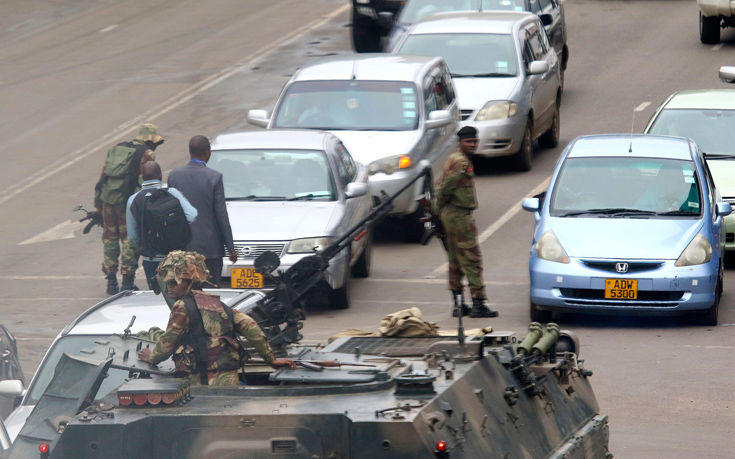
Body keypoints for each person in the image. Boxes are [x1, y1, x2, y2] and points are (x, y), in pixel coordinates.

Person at [137, 251, 295, 386]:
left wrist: (151, 357)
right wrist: (270, 358)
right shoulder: (216, 303)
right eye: (166, 283)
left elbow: (168, 342)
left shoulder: (181, 306)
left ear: (189, 282)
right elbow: (250, 325)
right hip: (229, 378)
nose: (168, 287)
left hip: (201, 381)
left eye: (173, 283)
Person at [434, 126, 498, 318]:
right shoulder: (461, 163)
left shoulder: (455, 159)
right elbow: (446, 188)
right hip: (459, 216)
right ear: (460, 142)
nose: (473, 145)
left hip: (452, 215)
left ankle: (459, 304)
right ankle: (478, 304)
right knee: (472, 259)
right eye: (469, 141)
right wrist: (438, 211)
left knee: (455, 260)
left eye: (475, 141)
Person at [95, 123, 164, 295]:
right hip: (127, 202)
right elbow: (144, 182)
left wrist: (98, 205)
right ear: (150, 140)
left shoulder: (118, 149)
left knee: (110, 239)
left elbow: (103, 177)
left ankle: (111, 282)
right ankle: (127, 281)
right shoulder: (147, 154)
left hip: (108, 200)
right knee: (129, 240)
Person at [167, 135, 238, 287]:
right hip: (210, 250)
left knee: (187, 293)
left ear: (190, 151)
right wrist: (230, 247)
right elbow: (221, 215)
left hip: (183, 250)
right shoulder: (214, 177)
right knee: (209, 295)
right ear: (207, 153)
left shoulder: (174, 176)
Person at [126, 161, 198, 290]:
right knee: (179, 297)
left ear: (142, 177)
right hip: (176, 257)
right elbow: (192, 215)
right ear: (160, 176)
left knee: (157, 298)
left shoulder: (133, 199)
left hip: (151, 259)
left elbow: (133, 237)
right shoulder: (172, 193)